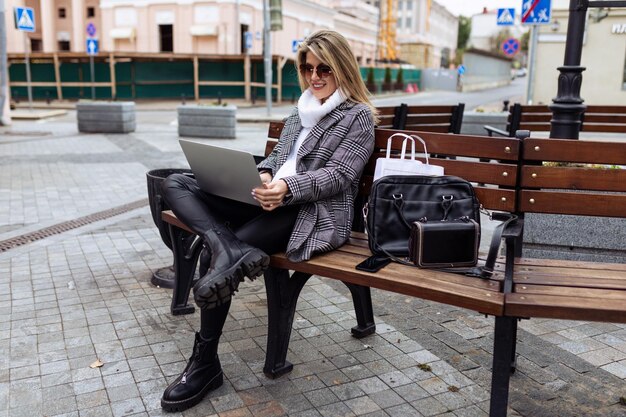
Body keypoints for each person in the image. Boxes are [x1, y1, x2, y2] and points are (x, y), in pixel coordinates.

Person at [159, 29, 377, 412]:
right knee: (176, 182)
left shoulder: (357, 117)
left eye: (324, 67)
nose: (315, 76)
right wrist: (262, 175)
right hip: (269, 200)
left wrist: (287, 189)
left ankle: (205, 363)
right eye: (307, 68)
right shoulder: (300, 110)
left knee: (215, 263)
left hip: (310, 213)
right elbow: (277, 160)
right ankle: (224, 243)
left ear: (343, 66)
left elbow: (341, 175)